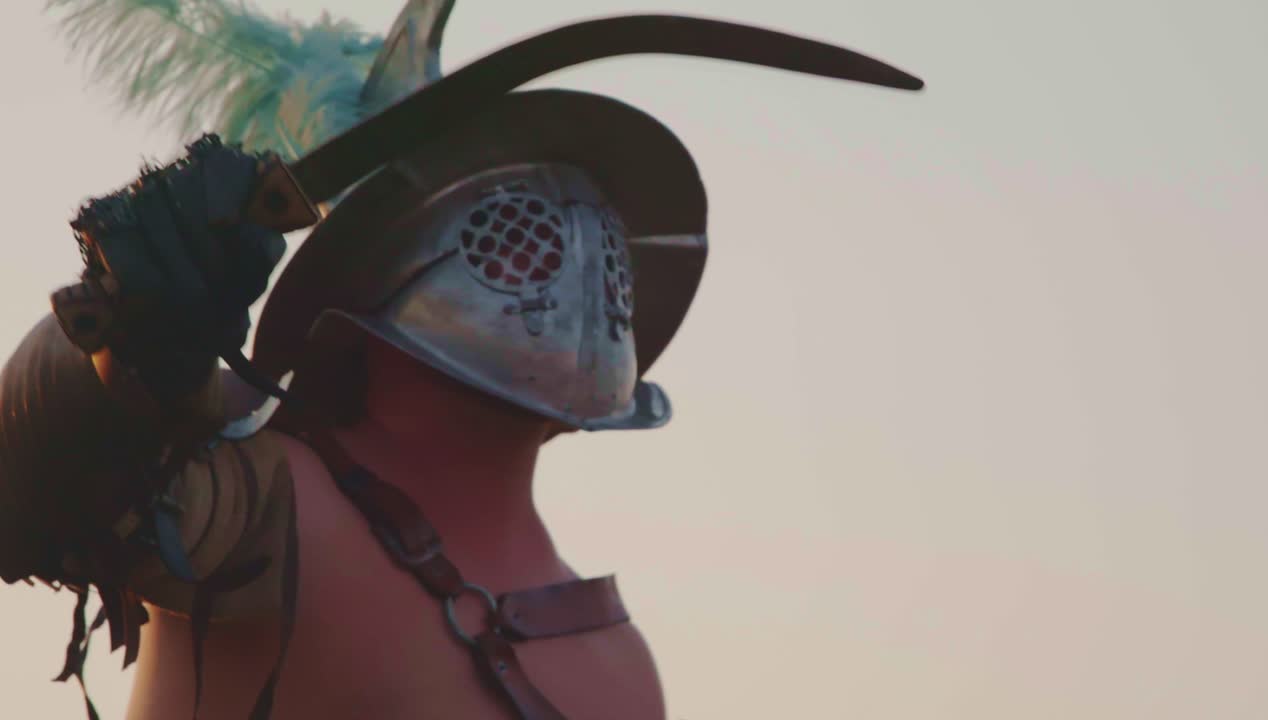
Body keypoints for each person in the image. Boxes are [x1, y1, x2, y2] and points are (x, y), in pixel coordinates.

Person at [2, 2, 924, 718]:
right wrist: (126, 344)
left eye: (591, 232)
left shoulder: (616, 659)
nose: (570, 261)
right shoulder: (263, 507)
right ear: (376, 271)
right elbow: (44, 487)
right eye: (514, 231)